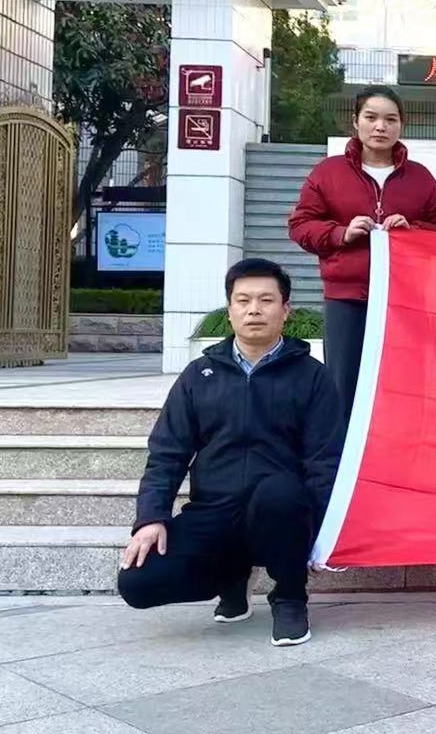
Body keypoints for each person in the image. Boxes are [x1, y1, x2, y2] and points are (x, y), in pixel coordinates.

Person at [118, 259, 343, 647]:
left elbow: (325, 461)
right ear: (230, 310)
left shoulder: (312, 376)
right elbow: (167, 454)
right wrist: (151, 518)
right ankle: (233, 577)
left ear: (285, 310)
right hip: (214, 510)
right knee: (138, 583)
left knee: (280, 494)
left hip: (281, 512)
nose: (254, 310)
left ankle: (289, 597)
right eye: (243, 300)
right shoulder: (198, 375)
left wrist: (324, 533)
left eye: (266, 300)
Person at [289, 88, 436, 416]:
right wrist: (341, 233)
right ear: (356, 122)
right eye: (371, 117)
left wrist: (413, 232)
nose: (380, 126)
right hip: (346, 298)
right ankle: (342, 449)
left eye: (390, 119)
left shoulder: (419, 178)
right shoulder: (329, 173)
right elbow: (301, 225)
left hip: (405, 300)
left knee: (403, 383)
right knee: (343, 386)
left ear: (401, 125)